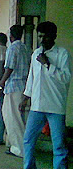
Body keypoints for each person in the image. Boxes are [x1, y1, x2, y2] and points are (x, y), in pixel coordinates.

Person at [20, 21, 71, 169]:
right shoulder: (36, 53)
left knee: (59, 146)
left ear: (53, 36)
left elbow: (66, 78)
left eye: (46, 37)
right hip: (37, 106)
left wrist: (48, 65)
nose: (42, 40)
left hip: (55, 107)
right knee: (28, 140)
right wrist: (26, 97)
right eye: (40, 36)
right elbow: (32, 78)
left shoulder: (62, 54)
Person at [0, 25, 29, 158]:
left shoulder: (13, 48)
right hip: (23, 87)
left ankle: (19, 149)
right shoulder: (26, 48)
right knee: (18, 118)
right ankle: (16, 146)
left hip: (13, 87)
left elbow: (9, 68)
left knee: (12, 118)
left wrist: (0, 86)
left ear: (11, 36)